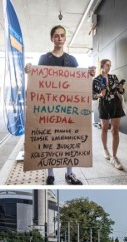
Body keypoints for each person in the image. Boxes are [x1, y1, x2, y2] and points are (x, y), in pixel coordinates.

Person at [25, 25, 96, 185]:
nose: (59, 38)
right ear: (52, 38)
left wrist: (90, 74)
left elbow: (78, 83)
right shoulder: (44, 59)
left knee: (69, 140)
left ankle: (69, 173)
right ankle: (50, 174)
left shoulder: (72, 60)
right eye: (56, 36)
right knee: (51, 139)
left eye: (62, 35)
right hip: (50, 109)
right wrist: (29, 70)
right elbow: (37, 79)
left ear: (65, 38)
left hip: (68, 110)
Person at [93, 58, 126, 170]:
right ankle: (105, 149)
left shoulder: (113, 77)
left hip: (116, 104)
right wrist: (100, 95)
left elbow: (120, 91)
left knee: (115, 130)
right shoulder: (96, 80)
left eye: (110, 65)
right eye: (107, 65)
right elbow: (93, 96)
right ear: (102, 66)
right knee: (104, 128)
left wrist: (121, 88)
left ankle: (114, 157)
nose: (109, 67)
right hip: (104, 105)